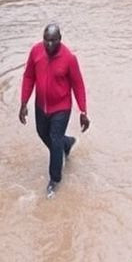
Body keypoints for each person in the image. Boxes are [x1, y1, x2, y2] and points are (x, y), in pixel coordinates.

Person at [19, 23, 90, 196]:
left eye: (53, 41)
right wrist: (23, 103)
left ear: (60, 39)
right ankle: (67, 144)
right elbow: (28, 77)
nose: (49, 44)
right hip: (41, 105)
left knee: (55, 139)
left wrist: (83, 111)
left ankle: (54, 180)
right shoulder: (36, 52)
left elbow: (78, 85)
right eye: (46, 40)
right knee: (42, 133)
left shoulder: (69, 58)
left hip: (61, 107)